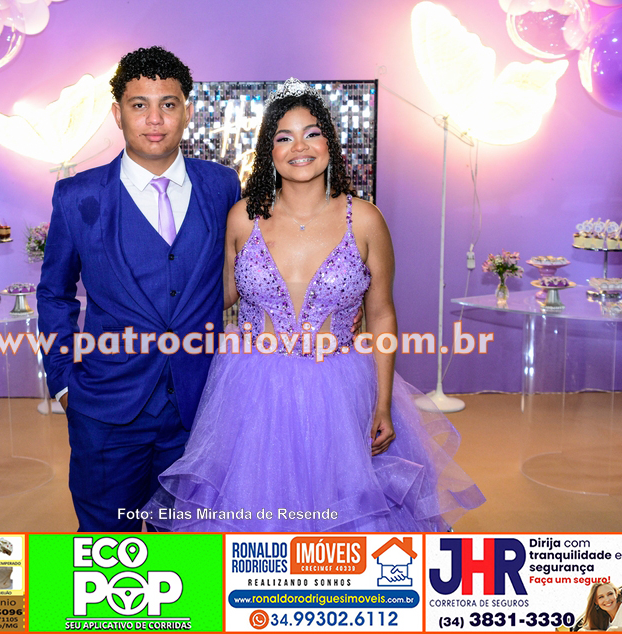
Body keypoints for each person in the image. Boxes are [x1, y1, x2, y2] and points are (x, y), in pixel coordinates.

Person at [143, 78, 485, 531]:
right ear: (269, 151)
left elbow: (381, 314)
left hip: (340, 388)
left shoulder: (365, 219)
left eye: (312, 133)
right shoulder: (243, 217)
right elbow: (216, 294)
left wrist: (383, 403)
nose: (299, 147)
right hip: (251, 389)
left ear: (330, 144)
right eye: (284, 137)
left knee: (345, 522)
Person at [37, 46, 241, 532]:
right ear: (117, 113)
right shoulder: (77, 195)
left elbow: (245, 277)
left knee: (188, 548)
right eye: (139, 105)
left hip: (199, 408)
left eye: (168, 104)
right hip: (107, 407)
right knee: (106, 550)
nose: (155, 119)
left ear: (187, 111)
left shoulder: (222, 186)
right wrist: (63, 382)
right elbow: (54, 293)